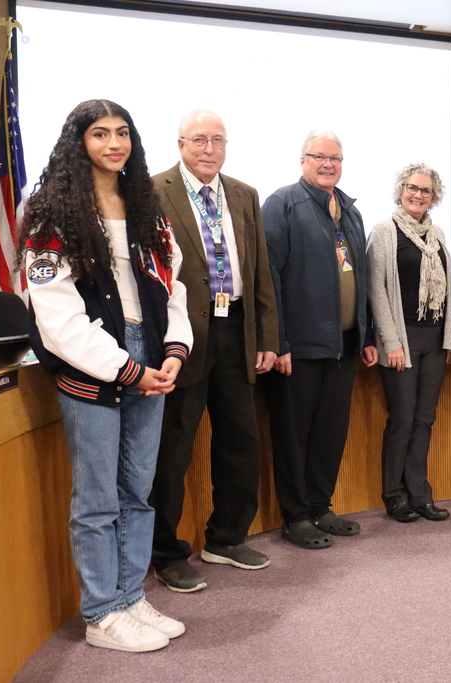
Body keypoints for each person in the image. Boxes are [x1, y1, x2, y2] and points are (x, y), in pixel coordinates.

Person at [19, 99, 192, 652]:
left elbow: (175, 287)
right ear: (79, 143)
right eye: (100, 134)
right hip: (95, 365)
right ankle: (101, 613)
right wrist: (127, 369)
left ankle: (127, 595)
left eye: (122, 133)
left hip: (151, 357)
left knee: (138, 492)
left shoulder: (148, 209)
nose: (114, 143)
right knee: (97, 500)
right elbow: (57, 317)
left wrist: (172, 351)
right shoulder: (51, 213)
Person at [148, 108, 279, 592]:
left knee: (240, 443)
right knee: (174, 450)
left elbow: (260, 271)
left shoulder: (244, 194)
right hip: (181, 339)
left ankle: (225, 538)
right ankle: (166, 552)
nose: (209, 149)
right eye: (199, 140)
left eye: (217, 140)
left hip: (237, 329)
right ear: (180, 144)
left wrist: (267, 337)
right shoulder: (152, 190)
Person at [262, 130, 378, 548]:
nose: (328, 164)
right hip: (299, 350)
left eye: (335, 158)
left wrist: (365, 333)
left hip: (342, 347)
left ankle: (319, 505)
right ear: (302, 160)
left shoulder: (348, 209)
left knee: (330, 432)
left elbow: (359, 276)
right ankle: (295, 517)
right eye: (319, 156)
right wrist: (279, 342)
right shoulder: (282, 205)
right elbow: (267, 279)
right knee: (295, 438)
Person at [367, 163, 451, 523]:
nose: (418, 195)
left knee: (424, 420)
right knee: (402, 420)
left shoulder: (438, 236)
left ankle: (420, 493)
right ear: (400, 189)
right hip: (400, 342)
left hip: (434, 341)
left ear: (434, 198)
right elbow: (377, 292)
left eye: (426, 191)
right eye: (412, 188)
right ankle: (394, 495)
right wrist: (391, 342)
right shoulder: (384, 232)